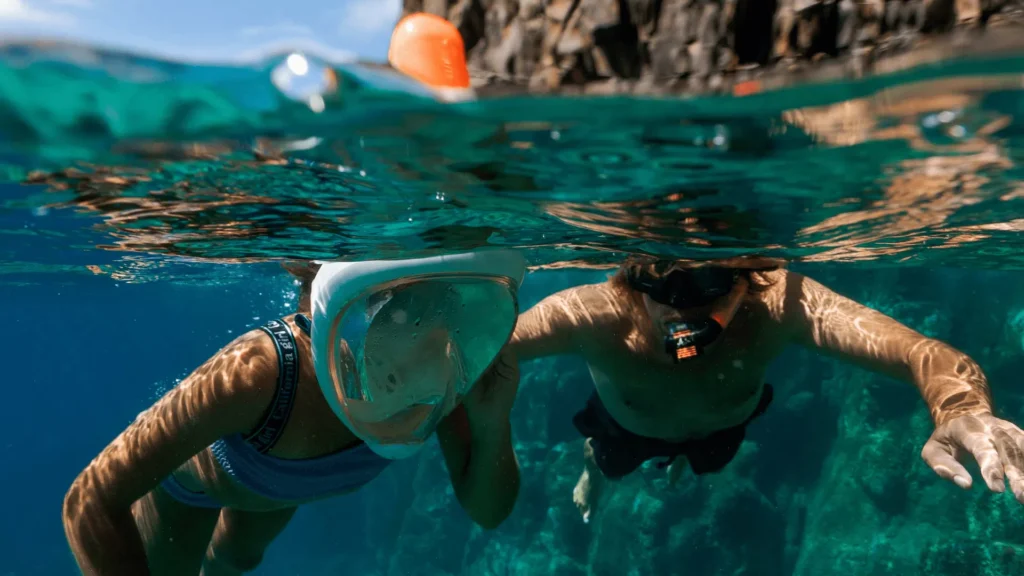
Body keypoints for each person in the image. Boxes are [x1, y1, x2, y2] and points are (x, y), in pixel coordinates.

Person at [61, 248, 526, 575]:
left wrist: (492, 421)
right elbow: (90, 499)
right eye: (413, 311)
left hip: (278, 485)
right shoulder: (261, 374)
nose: (437, 341)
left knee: (238, 560)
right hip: (193, 487)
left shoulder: (441, 371)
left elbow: (487, 512)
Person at [509, 257, 1024, 522]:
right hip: (625, 425)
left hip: (725, 424)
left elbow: (919, 351)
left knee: (708, 459)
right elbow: (489, 349)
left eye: (705, 284)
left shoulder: (780, 303)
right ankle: (591, 467)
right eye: (660, 287)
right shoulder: (591, 314)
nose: (676, 309)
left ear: (744, 280)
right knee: (608, 462)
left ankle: (684, 459)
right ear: (631, 279)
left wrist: (962, 406)